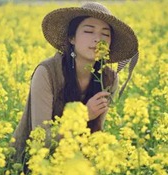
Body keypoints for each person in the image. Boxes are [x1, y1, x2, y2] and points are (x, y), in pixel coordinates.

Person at [12, 2, 138, 161]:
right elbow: (40, 140)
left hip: (79, 167)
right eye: (88, 31)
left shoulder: (109, 79)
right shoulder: (47, 72)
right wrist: (83, 116)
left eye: (105, 34)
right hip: (33, 166)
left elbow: (96, 133)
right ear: (72, 38)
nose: (98, 39)